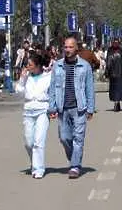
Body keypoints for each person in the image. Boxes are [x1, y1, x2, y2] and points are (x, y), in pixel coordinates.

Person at [48, 36, 95, 179]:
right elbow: (52, 88)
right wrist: (52, 107)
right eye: (65, 47)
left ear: (76, 49)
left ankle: (75, 166)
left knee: (78, 139)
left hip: (79, 108)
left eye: (70, 47)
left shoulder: (85, 66)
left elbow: (89, 88)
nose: (67, 50)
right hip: (63, 108)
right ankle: (73, 157)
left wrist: (90, 108)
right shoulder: (58, 65)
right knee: (64, 137)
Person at [15, 52, 52, 179]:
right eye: (27, 64)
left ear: (38, 66)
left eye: (30, 65)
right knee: (28, 142)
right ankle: (34, 162)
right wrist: (22, 79)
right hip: (28, 111)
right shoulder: (27, 77)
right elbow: (19, 92)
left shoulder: (48, 77)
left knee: (38, 141)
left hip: (43, 110)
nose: (27, 67)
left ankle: (38, 169)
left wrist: (54, 109)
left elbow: (53, 93)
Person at [106, 41, 122, 112]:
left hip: (118, 74)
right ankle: (117, 103)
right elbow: (108, 63)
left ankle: (116, 103)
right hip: (115, 74)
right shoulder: (111, 51)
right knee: (116, 89)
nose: (115, 44)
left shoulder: (120, 51)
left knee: (117, 89)